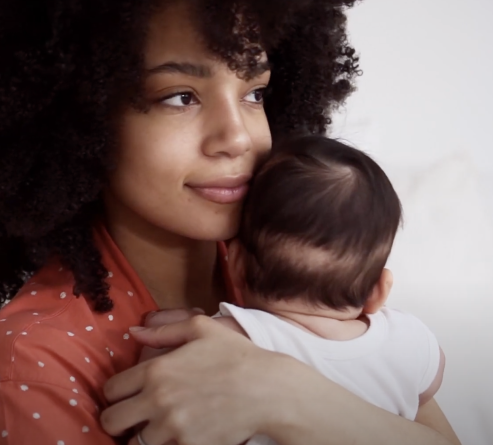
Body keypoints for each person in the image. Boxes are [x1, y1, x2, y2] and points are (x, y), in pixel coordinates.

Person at [0, 0, 460, 445]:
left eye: (254, 93)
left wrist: (288, 395)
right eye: (181, 97)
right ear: (85, 117)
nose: (237, 136)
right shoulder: (30, 365)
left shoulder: (302, 263)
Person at [191, 134, 445, 444]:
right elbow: (427, 389)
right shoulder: (408, 339)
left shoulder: (234, 337)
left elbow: (166, 379)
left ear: (237, 265)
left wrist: (174, 328)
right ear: (378, 290)